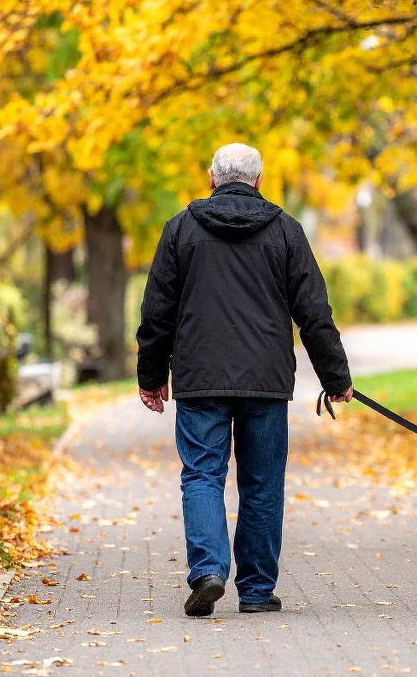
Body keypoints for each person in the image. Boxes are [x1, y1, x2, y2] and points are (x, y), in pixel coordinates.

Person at [136, 143, 353, 618]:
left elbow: (157, 312)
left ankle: (210, 572)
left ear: (212, 178)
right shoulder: (286, 232)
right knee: (262, 483)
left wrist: (151, 376)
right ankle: (256, 591)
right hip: (266, 382)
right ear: (258, 180)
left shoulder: (180, 230)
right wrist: (335, 376)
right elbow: (314, 312)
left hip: (200, 379)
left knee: (202, 475)